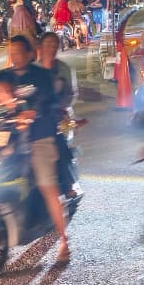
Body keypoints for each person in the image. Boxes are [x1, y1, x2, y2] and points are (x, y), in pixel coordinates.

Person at [0, 36, 70, 263]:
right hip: (10, 140)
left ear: (29, 54)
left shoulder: (41, 76)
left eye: (19, 52)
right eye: (11, 52)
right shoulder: (3, 76)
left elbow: (51, 103)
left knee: (47, 186)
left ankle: (64, 241)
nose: (14, 57)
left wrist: (34, 113)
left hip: (39, 137)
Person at [36, 32, 82, 200]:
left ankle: (68, 183)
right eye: (47, 44)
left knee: (59, 144)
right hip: (36, 118)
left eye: (54, 45)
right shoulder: (33, 70)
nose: (51, 48)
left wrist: (61, 107)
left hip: (60, 117)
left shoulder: (64, 69)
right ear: (40, 47)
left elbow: (71, 94)